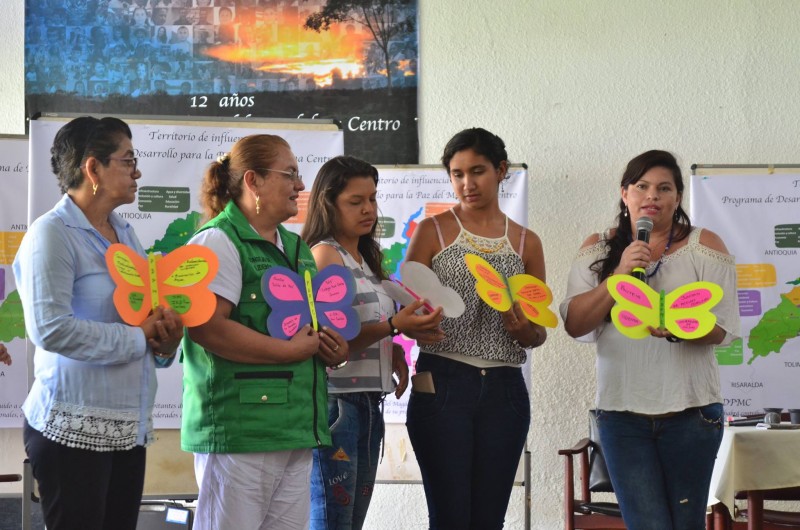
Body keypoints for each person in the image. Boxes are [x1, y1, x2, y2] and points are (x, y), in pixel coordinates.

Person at [12, 116, 183, 530]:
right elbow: (50, 329)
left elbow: (142, 318)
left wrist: (164, 338)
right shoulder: (52, 233)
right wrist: (138, 336)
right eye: (128, 160)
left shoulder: (125, 234)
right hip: (71, 426)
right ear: (93, 168)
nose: (137, 171)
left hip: (128, 427)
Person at [559, 149, 741, 529]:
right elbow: (575, 324)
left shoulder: (705, 245)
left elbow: (722, 329)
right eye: (641, 186)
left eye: (664, 188)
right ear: (625, 194)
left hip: (692, 415)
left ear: (678, 198)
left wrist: (681, 328)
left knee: (686, 524)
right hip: (622, 418)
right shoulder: (598, 248)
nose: (652, 196)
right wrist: (619, 275)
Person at [181, 135, 348, 530]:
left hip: (295, 429)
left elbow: (306, 329)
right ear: (253, 181)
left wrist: (330, 347)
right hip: (241, 431)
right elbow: (208, 329)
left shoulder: (296, 247)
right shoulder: (218, 242)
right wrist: (287, 352)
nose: (300, 186)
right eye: (289, 174)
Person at [404, 128, 546, 529]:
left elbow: (539, 332)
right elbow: (407, 308)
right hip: (443, 380)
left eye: (478, 171)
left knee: (489, 520)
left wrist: (524, 332)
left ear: (501, 171)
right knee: (449, 517)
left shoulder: (526, 243)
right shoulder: (431, 231)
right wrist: (418, 326)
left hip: (505, 388)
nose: (467, 184)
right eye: (457, 173)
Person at [301, 156, 444, 530]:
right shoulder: (325, 254)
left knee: (350, 521)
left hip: (366, 403)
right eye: (355, 201)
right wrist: (395, 325)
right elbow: (332, 336)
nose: (368, 209)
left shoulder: (362, 258)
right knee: (333, 520)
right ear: (328, 204)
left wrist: (391, 346)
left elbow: (365, 327)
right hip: (338, 406)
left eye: (373, 198)